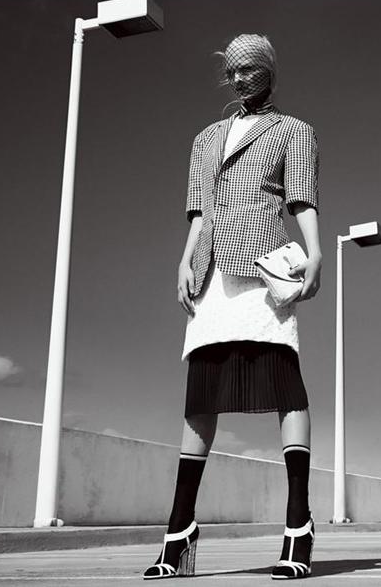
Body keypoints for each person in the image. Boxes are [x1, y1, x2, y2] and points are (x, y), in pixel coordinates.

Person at [143, 33, 321, 581]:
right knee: (201, 395)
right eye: (233, 71)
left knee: (285, 384)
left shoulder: (294, 131)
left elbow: (301, 198)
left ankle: (298, 524)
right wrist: (184, 260)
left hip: (264, 270)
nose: (240, 79)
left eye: (249, 69)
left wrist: (316, 252)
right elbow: (199, 210)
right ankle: (179, 530)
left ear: (268, 70)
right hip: (211, 273)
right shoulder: (204, 138)